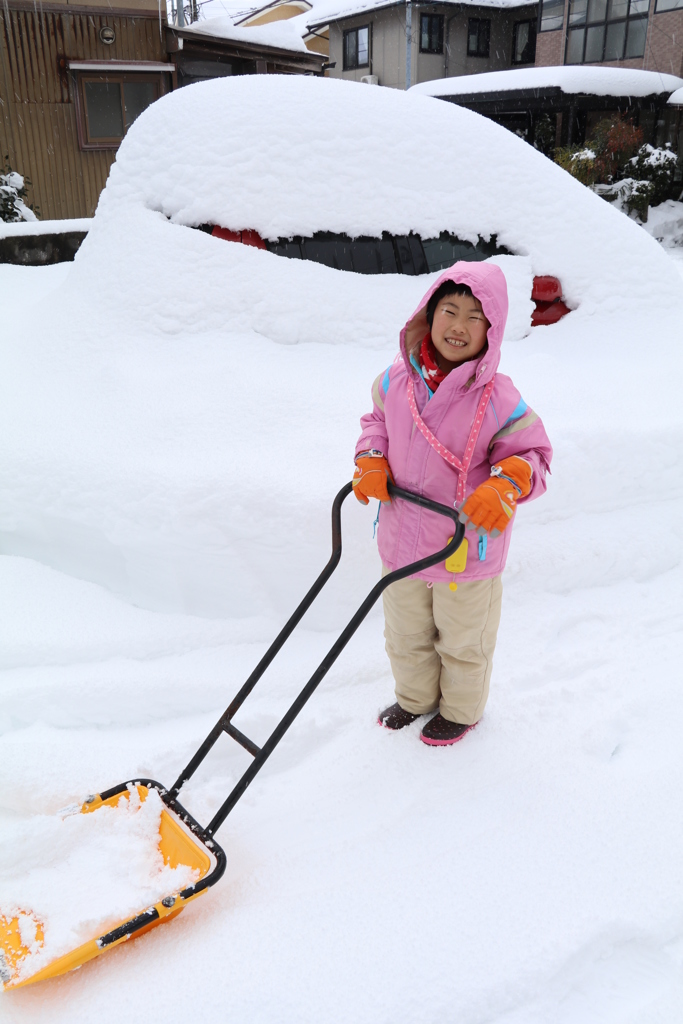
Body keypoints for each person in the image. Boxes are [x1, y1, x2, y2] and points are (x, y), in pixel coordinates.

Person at [352, 261, 552, 746]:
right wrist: (371, 458)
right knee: (405, 635)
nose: (458, 326)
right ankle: (415, 699)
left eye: (474, 317)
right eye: (449, 310)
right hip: (402, 541)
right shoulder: (397, 381)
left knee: (464, 643)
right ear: (428, 313)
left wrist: (504, 485)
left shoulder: (498, 399)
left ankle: (461, 710)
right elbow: (375, 421)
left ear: (492, 330)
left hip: (467, 549)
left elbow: (533, 456)